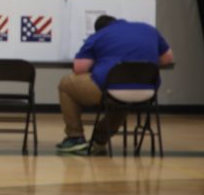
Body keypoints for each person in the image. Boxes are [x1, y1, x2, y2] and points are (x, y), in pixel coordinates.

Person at [56, 14, 173, 155]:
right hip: (147, 92)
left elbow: (79, 68)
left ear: (99, 29)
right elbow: (167, 59)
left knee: (66, 84)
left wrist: (100, 62)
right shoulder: (149, 29)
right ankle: (99, 140)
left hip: (111, 89)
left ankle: (75, 138)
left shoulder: (99, 36)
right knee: (121, 100)